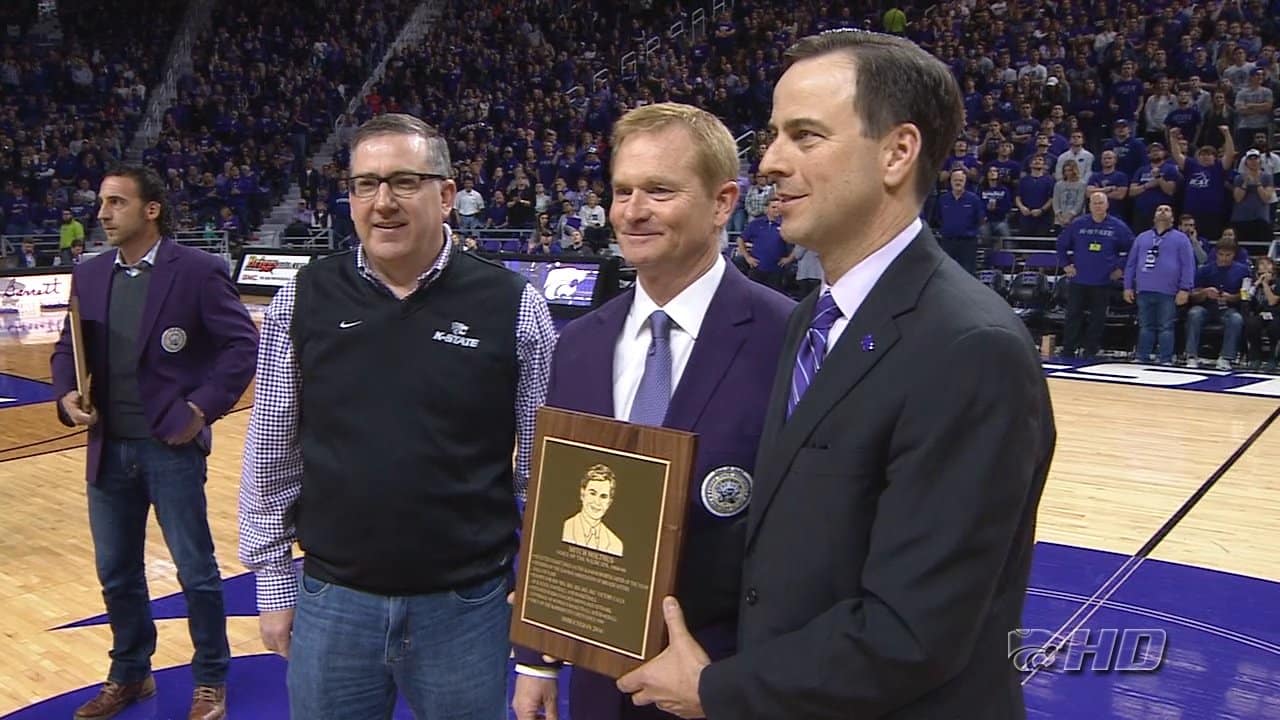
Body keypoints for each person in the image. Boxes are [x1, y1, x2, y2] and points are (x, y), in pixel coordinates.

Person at [616, 31, 1056, 719]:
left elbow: (911, 633)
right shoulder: (811, 320)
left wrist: (716, 690)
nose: (770, 162)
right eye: (773, 135)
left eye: (805, 136)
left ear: (897, 152)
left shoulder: (971, 347)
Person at [237, 113, 556, 719]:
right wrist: (273, 586)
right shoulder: (300, 299)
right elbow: (272, 453)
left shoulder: (515, 307)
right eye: (364, 184)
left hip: (466, 607)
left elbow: (540, 475)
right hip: (333, 601)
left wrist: (538, 625)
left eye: (404, 182)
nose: (381, 202)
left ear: (446, 195)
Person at [511, 102, 795, 720]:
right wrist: (538, 658)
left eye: (660, 191)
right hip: (594, 678)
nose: (633, 211)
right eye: (622, 191)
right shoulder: (580, 344)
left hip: (723, 681)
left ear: (723, 203)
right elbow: (553, 499)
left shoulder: (788, 338)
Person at [49, 163, 258, 720]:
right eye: (101, 202)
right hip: (107, 448)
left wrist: (200, 409)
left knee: (197, 571)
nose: (102, 213)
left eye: (115, 202)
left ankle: (210, 679)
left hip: (169, 445)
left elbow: (241, 348)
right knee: (116, 572)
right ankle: (130, 674)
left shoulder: (197, 270)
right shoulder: (89, 274)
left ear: (151, 209)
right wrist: (67, 395)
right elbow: (67, 348)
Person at [1055, 191, 1134, 359]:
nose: (1098, 206)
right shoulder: (1078, 224)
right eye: (1094, 203)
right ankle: (1068, 349)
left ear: (1107, 205)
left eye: (1101, 203)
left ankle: (1090, 350)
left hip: (1103, 281)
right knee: (1073, 316)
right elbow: (1061, 244)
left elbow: (1132, 249)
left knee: (1097, 319)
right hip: (1079, 279)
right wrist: (1065, 264)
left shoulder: (1118, 226)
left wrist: (1121, 268)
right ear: (1089, 206)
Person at [1123, 204, 1195, 365]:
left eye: (1167, 209)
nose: (1163, 211)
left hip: (1168, 291)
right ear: (1154, 216)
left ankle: (1165, 358)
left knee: (1166, 326)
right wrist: (1127, 286)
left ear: (1172, 218)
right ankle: (1142, 356)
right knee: (1145, 325)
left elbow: (1188, 265)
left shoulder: (1181, 239)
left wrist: (1185, 288)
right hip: (1144, 289)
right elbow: (1131, 264)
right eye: (1159, 209)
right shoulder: (1142, 237)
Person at [561, 463, 625, 556]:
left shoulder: (615, 544)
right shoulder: (564, 527)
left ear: (609, 502)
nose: (597, 502)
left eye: (603, 496)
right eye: (592, 493)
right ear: (582, 494)